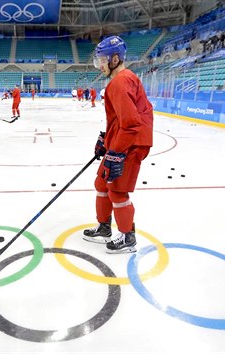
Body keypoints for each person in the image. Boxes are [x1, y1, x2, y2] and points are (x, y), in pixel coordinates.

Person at [83, 35, 153, 254]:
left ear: (114, 59)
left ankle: (127, 237)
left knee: (117, 190)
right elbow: (121, 119)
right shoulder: (123, 79)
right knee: (102, 183)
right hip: (123, 139)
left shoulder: (120, 82)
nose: (100, 65)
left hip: (131, 144)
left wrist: (116, 152)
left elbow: (131, 124)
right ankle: (104, 228)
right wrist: (106, 138)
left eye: (102, 60)